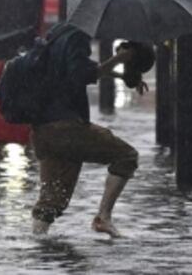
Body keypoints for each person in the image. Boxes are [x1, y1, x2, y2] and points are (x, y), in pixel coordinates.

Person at [30, 24, 151, 238]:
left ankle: (37, 249)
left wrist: (118, 75)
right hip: (66, 127)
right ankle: (103, 218)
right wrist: (120, 59)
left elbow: (70, 72)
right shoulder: (77, 38)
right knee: (126, 156)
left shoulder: (56, 35)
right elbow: (82, 73)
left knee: (51, 201)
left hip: (43, 129)